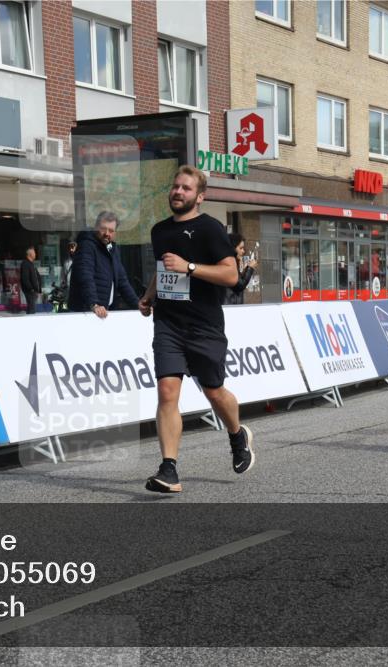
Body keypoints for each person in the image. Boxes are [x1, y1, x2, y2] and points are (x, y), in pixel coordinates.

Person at [138, 165, 254, 493]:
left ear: (199, 197)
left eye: (186, 188)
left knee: (214, 391)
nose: (178, 192)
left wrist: (189, 267)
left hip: (204, 325)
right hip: (168, 323)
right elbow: (163, 269)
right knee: (166, 391)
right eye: (175, 186)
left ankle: (237, 435)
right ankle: (169, 469)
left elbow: (231, 276)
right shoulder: (159, 230)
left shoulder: (211, 229)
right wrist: (148, 296)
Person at [68, 211, 140, 318]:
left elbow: (122, 282)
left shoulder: (111, 250)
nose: (107, 233)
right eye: (103, 229)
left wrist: (138, 305)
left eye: (111, 230)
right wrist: (94, 303)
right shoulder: (87, 245)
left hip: (103, 312)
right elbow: (85, 276)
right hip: (86, 312)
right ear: (96, 227)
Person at [224, 232, 258, 305]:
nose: (243, 251)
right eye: (241, 248)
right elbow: (240, 285)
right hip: (229, 308)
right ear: (232, 248)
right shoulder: (226, 264)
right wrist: (250, 268)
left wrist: (245, 271)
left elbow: (237, 282)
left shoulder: (232, 263)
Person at [20, 245, 41, 314]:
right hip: (30, 291)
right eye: (34, 253)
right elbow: (25, 279)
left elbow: (36, 277)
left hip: (34, 291)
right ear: (30, 254)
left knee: (32, 308)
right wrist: (31, 289)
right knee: (32, 309)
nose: (35, 254)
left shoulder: (31, 264)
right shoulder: (25, 264)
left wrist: (38, 289)